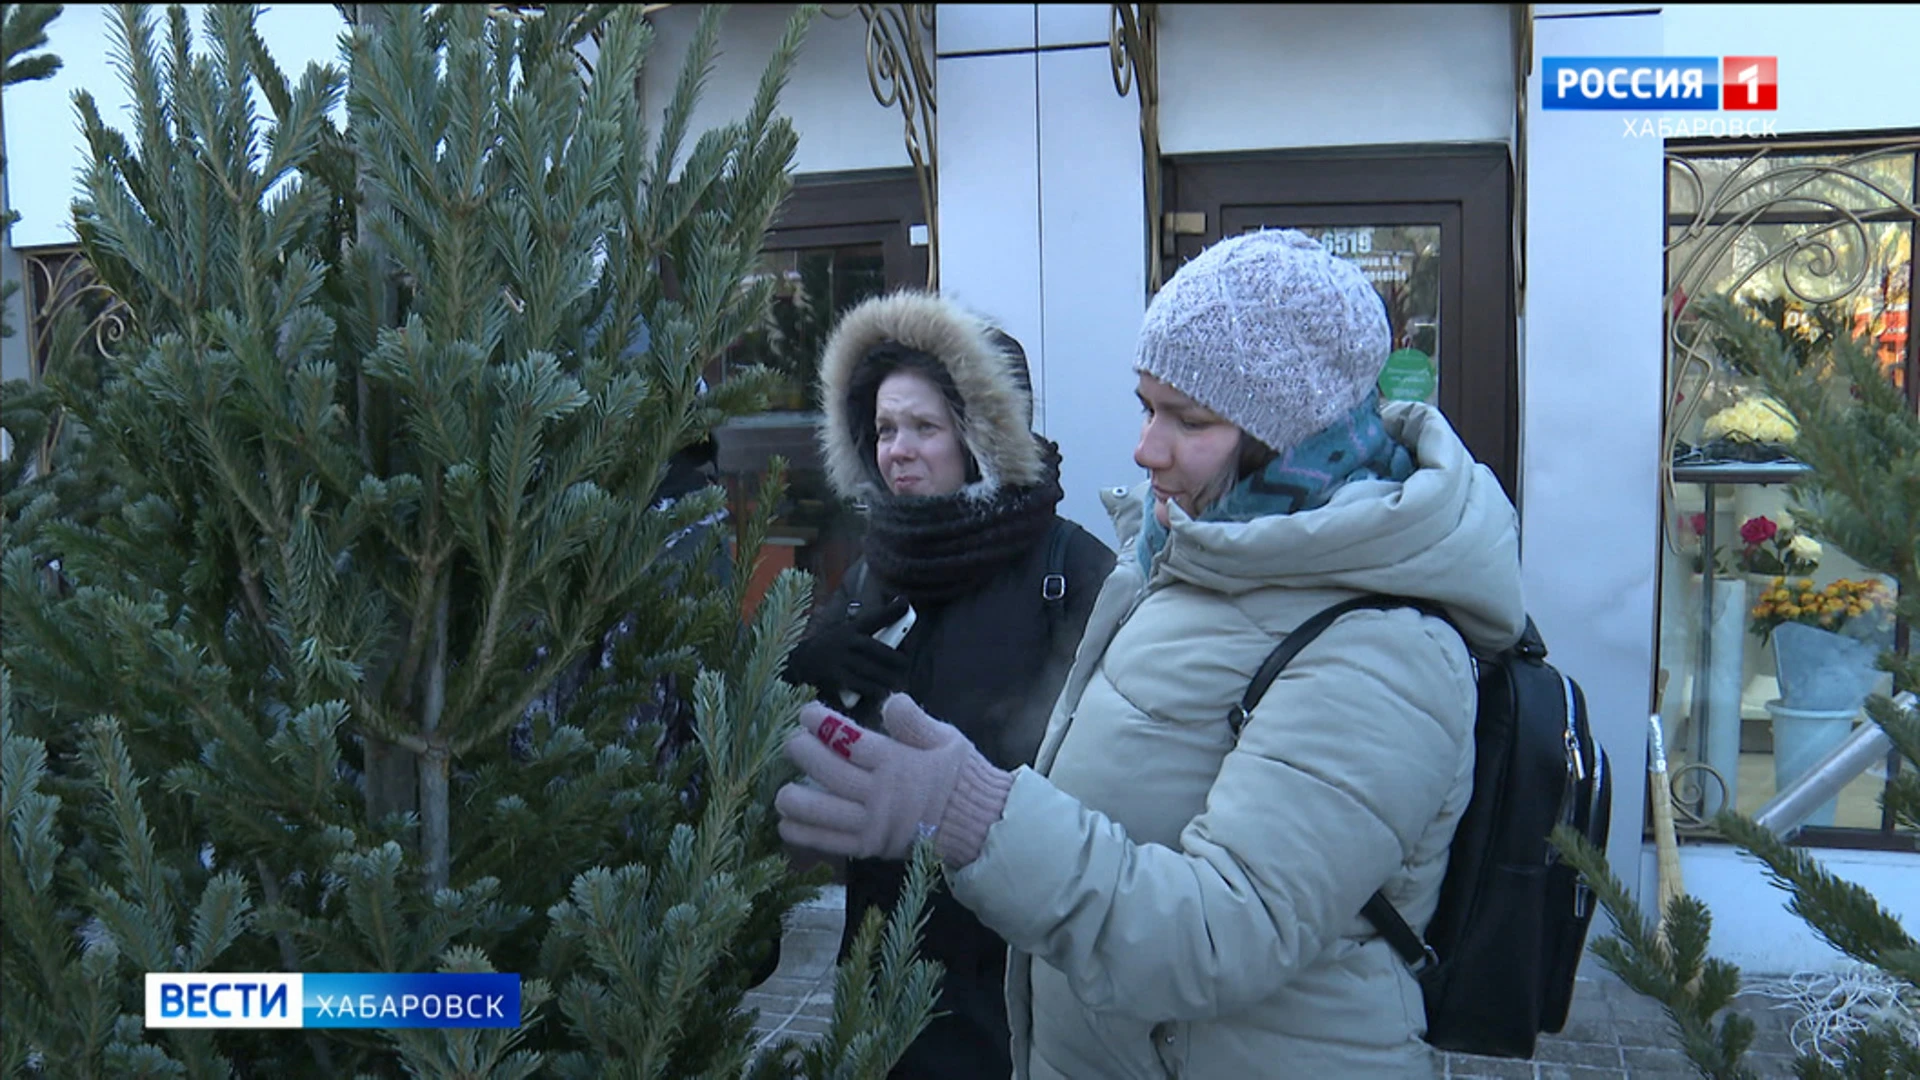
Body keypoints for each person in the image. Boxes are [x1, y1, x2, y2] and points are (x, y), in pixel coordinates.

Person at [775, 230, 1528, 1079]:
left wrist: (971, 811)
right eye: (1147, 406)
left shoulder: (1385, 649)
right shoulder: (1186, 564)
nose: (1144, 448)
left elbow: (1221, 932)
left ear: (1295, 432)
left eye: (1189, 419)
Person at [780, 291, 1117, 1080]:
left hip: (1011, 959)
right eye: (887, 428)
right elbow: (806, 738)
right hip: (881, 948)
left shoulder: (1073, 572)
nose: (897, 449)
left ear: (984, 438)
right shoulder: (874, 571)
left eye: (925, 428)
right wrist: (802, 664)